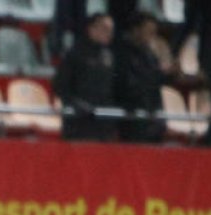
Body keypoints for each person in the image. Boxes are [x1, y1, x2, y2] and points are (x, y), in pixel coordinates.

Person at [54, 13, 118, 141]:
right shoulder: (74, 53)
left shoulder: (109, 56)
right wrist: (77, 105)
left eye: (111, 30)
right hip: (78, 122)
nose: (109, 34)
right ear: (91, 29)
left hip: (103, 121)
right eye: (105, 29)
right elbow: (60, 85)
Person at [115, 12, 168, 143]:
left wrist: (167, 74)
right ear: (136, 30)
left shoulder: (149, 54)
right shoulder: (122, 53)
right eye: (148, 31)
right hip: (133, 117)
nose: (152, 35)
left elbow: (157, 81)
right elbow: (126, 85)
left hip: (152, 115)